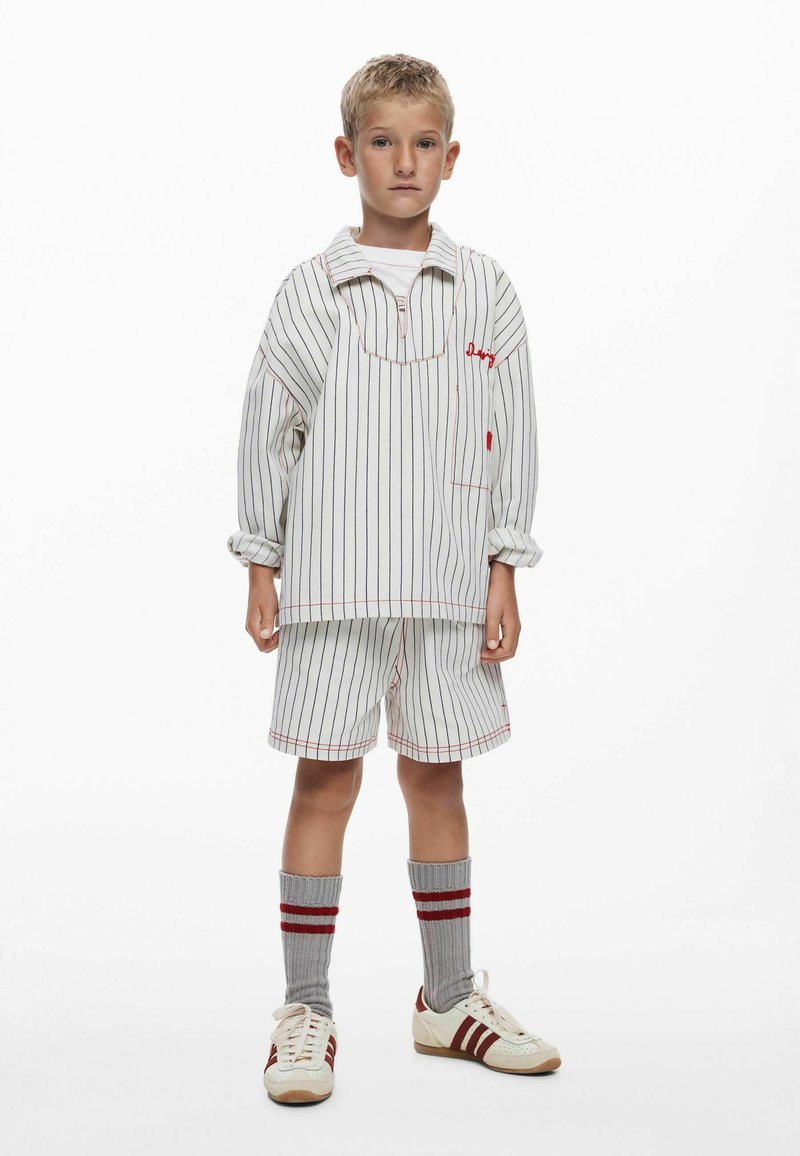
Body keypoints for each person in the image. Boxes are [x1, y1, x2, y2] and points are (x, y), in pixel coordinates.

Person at [227, 52, 561, 1104]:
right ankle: (306, 1008)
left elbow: (512, 432)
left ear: (451, 158)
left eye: (423, 143)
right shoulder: (311, 291)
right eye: (382, 142)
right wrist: (260, 560)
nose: (403, 161)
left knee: (436, 775)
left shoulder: (485, 289)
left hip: (448, 587)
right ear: (347, 154)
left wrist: (505, 564)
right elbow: (269, 427)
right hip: (333, 584)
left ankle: (448, 998)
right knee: (324, 779)